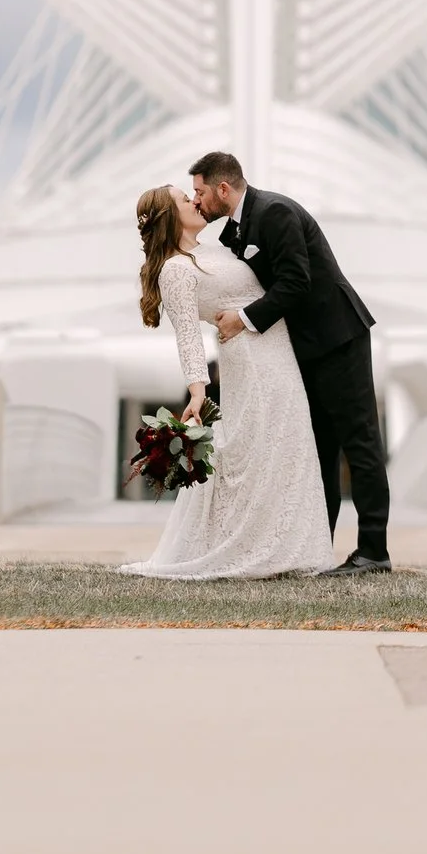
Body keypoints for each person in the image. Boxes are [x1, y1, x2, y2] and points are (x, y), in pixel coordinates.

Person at [118, 185, 335, 579]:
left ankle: (287, 548)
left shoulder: (216, 249)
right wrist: (198, 392)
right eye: (185, 199)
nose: (195, 202)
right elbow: (187, 335)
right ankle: (247, 546)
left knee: (286, 444)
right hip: (249, 360)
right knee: (254, 448)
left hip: (279, 351)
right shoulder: (176, 269)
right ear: (170, 214)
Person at [190, 150, 391, 576]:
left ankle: (374, 552)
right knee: (319, 449)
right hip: (304, 348)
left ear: (223, 188)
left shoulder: (275, 212)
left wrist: (244, 320)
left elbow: (295, 283)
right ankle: (317, 549)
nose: (196, 202)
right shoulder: (234, 233)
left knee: (360, 442)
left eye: (200, 192)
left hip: (338, 337)